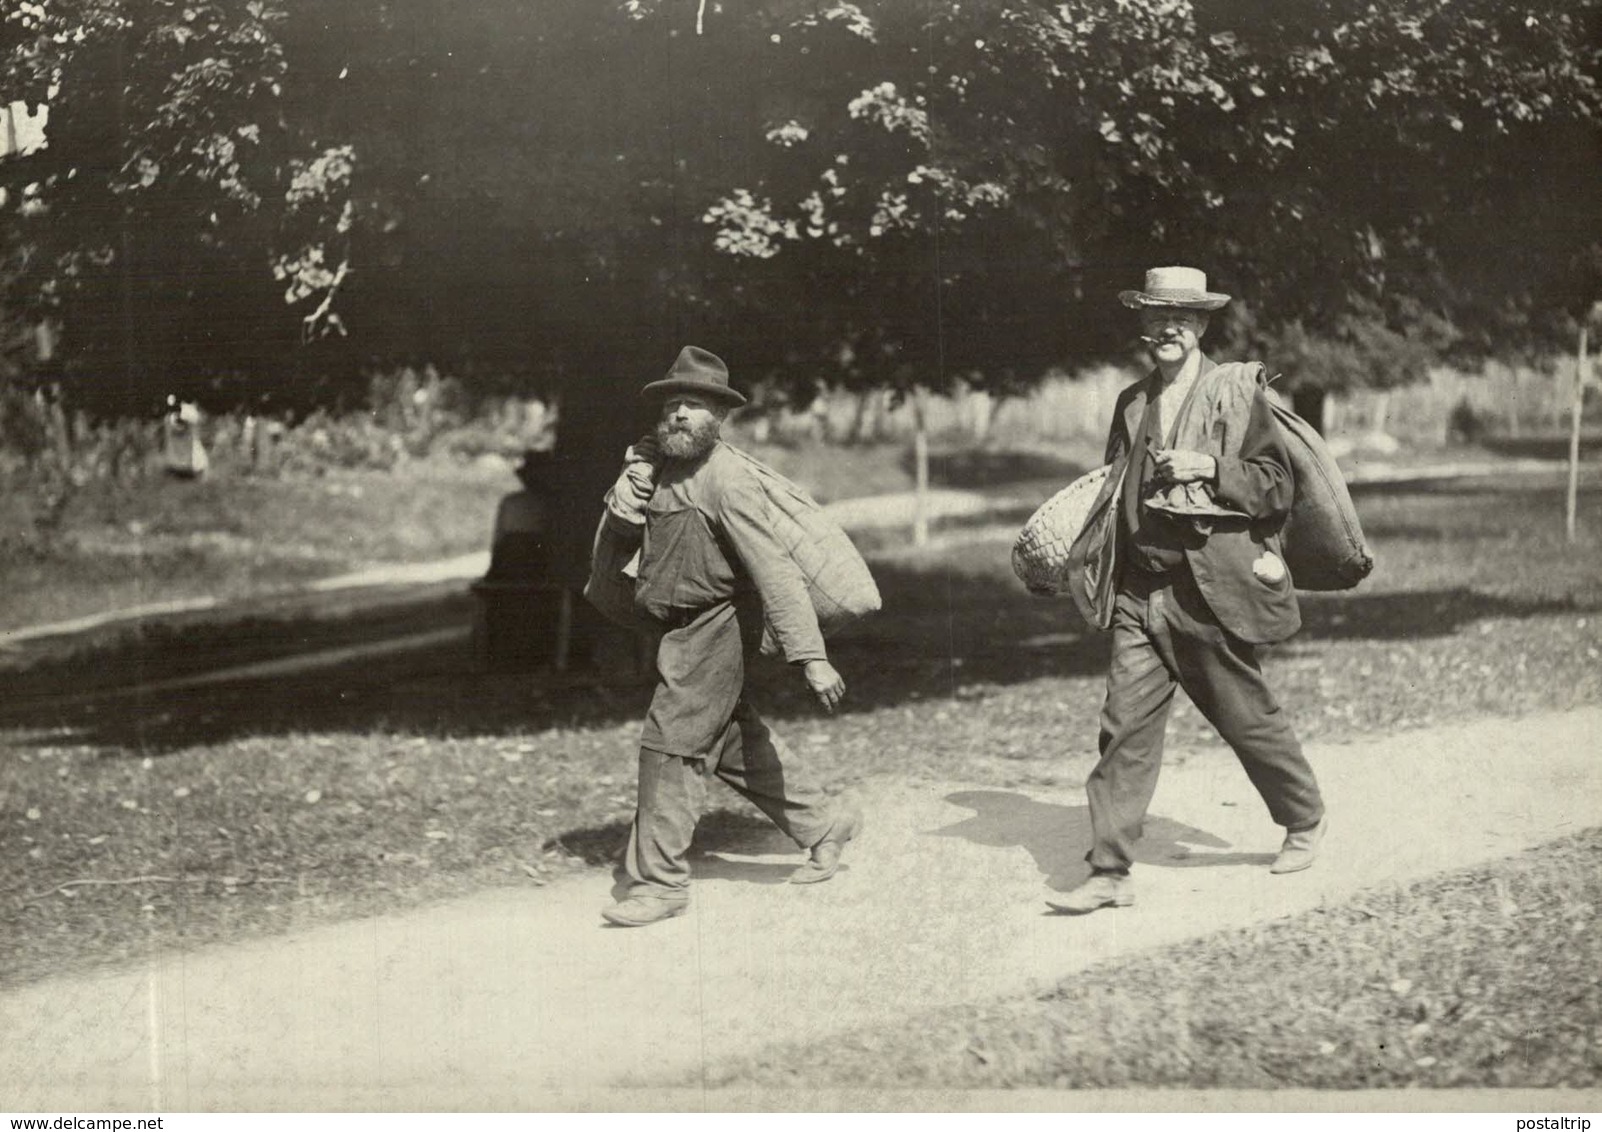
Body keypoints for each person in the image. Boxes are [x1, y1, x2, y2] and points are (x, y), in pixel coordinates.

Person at [1050, 266, 1327, 915]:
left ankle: (1304, 817)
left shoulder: (1236, 393)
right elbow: (1114, 487)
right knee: (1122, 729)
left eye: (1181, 316)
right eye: (1154, 315)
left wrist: (1211, 468)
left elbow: (1275, 487)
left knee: (1244, 715)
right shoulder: (1131, 401)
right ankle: (1108, 871)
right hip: (1137, 592)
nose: (1166, 327)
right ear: (1143, 324)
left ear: (1202, 324)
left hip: (1207, 589)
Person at [597, 345, 863, 927]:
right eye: (672, 405)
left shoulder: (727, 479)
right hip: (677, 628)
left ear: (719, 417)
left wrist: (811, 656)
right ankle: (823, 823)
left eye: (694, 405)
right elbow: (625, 538)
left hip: (717, 625)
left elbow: (776, 571)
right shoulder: (656, 466)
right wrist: (626, 494)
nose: (680, 416)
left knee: (669, 745)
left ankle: (660, 882)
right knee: (731, 744)